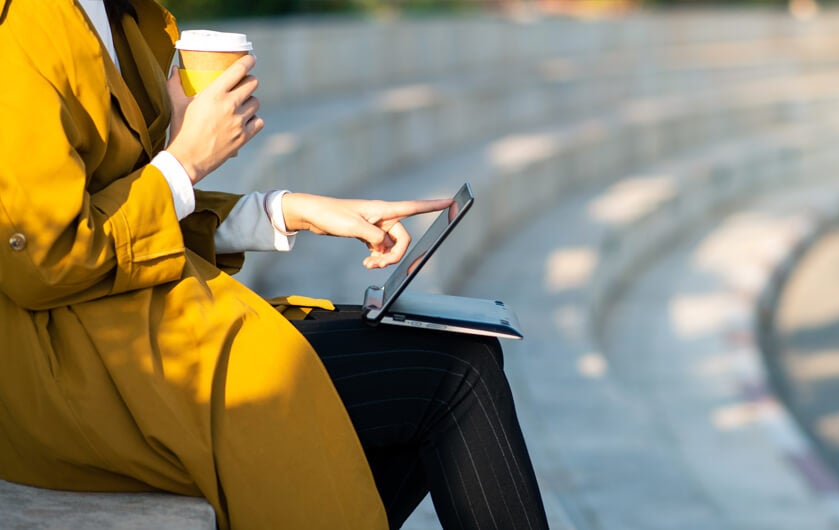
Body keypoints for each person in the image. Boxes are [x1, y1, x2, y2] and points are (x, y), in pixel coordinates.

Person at [0, 0, 550, 529]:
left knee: (454, 354)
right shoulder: (24, 25)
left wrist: (286, 211)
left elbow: (121, 199)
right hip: (70, 368)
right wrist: (186, 160)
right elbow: (45, 255)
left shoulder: (120, 13)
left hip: (135, 320)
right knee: (454, 373)